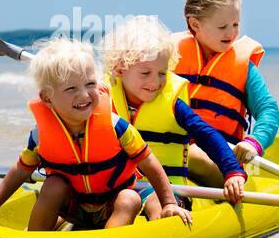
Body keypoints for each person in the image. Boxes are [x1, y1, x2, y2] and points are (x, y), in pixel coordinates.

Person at [0, 36, 192, 230]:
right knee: (53, 186)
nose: (84, 95)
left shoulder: (115, 126)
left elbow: (149, 162)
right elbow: (21, 170)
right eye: (71, 88)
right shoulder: (41, 135)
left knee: (130, 198)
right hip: (74, 207)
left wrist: (169, 202)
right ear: (47, 99)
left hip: (110, 204)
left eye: (90, 84)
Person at [102, 15, 246, 220]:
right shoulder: (103, 100)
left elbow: (207, 135)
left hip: (168, 192)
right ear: (120, 69)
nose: (156, 82)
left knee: (153, 205)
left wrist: (232, 171)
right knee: (119, 201)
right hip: (118, 189)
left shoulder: (173, 104)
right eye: (146, 73)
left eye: (162, 73)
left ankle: (161, 234)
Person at [173, 0, 279, 186]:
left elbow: (269, 109)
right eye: (222, 26)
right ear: (194, 24)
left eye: (235, 24)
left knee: (195, 155)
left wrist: (254, 142)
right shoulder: (168, 57)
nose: (231, 33)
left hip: (219, 157)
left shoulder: (243, 69)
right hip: (168, 146)